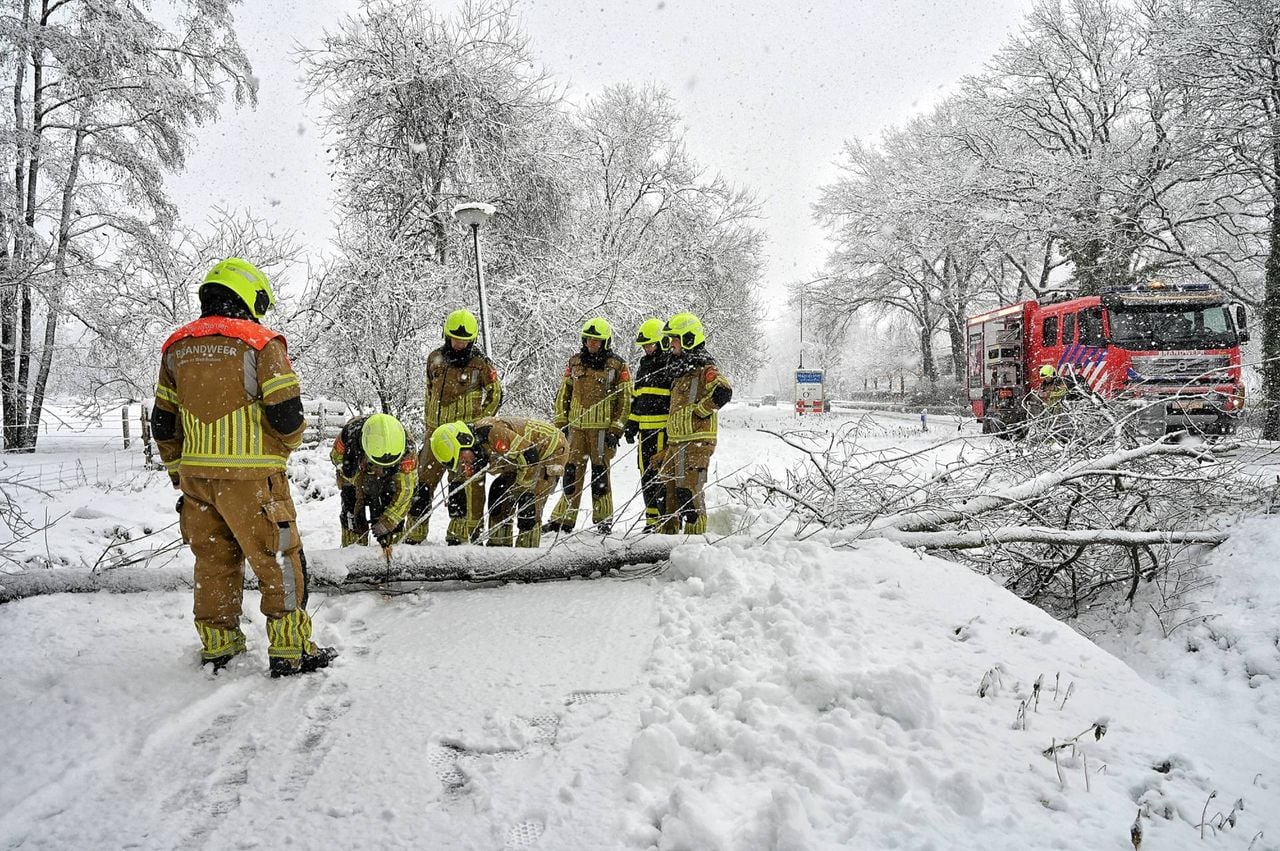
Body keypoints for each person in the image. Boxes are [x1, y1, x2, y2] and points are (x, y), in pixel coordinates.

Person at [152, 257, 336, 678]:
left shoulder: (176, 347)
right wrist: (282, 449)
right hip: (254, 481)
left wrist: (179, 469)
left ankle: (220, 646)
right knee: (280, 560)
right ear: (250, 296)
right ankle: (291, 648)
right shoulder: (261, 343)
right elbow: (287, 415)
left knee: (213, 563)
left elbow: (163, 421)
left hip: (197, 482)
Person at [404, 309, 502, 545]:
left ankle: (457, 534)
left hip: (462, 439)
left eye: (464, 340)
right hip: (434, 434)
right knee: (422, 484)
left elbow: (496, 394)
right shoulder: (434, 359)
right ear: (447, 336)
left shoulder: (481, 365)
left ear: (472, 339)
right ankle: (414, 532)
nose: (459, 343)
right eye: (455, 338)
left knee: (459, 487)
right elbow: (429, 389)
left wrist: (479, 425)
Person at [544, 318, 632, 535]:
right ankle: (563, 519)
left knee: (600, 475)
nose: (592, 344)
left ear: (605, 342)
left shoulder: (617, 365)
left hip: (602, 431)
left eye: (597, 340)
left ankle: (604, 519)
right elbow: (564, 393)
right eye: (589, 340)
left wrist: (616, 429)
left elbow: (625, 399)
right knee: (571, 473)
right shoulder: (574, 362)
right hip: (576, 430)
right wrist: (561, 423)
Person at [429, 417, 568, 548]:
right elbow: (476, 495)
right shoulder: (474, 454)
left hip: (550, 449)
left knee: (528, 505)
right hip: (519, 460)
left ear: (464, 440)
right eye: (460, 464)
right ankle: (499, 546)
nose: (465, 466)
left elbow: (529, 455)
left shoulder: (493, 434)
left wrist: (521, 490)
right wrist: (474, 534)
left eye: (463, 459)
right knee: (498, 493)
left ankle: (526, 554)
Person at [655, 312, 733, 534]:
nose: (671, 344)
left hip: (697, 442)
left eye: (675, 339)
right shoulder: (680, 371)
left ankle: (694, 545)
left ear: (689, 338)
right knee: (665, 492)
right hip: (677, 442)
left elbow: (724, 391)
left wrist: (700, 411)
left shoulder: (704, 368)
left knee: (688, 495)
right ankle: (665, 544)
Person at [331, 413, 417, 558]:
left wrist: (389, 521)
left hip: (390, 480)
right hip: (356, 471)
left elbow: (406, 489)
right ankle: (352, 552)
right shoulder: (349, 435)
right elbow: (337, 459)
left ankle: (393, 554)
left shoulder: (406, 447)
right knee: (352, 516)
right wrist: (358, 481)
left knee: (393, 524)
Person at [624, 318, 676, 531]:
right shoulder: (643, 367)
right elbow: (638, 399)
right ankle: (651, 521)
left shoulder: (669, 366)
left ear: (663, 343)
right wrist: (631, 424)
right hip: (644, 434)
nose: (647, 349)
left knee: (660, 476)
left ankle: (663, 521)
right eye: (645, 346)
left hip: (662, 432)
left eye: (651, 344)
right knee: (646, 476)